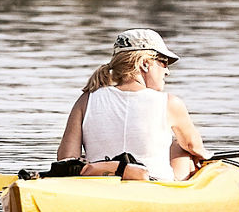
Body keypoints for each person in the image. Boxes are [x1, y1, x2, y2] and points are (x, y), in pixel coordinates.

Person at [56, 28, 207, 183]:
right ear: (145, 64)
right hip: (154, 186)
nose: (167, 71)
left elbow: (66, 157)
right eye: (163, 62)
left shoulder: (86, 99)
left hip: (100, 184)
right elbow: (195, 147)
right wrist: (206, 159)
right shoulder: (170, 103)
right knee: (181, 146)